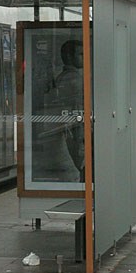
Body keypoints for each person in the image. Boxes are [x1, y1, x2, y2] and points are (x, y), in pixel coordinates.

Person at [53, 39, 84, 175]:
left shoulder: (64, 77)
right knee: (81, 162)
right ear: (69, 57)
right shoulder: (72, 78)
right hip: (76, 127)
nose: (84, 58)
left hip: (74, 125)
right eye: (80, 54)